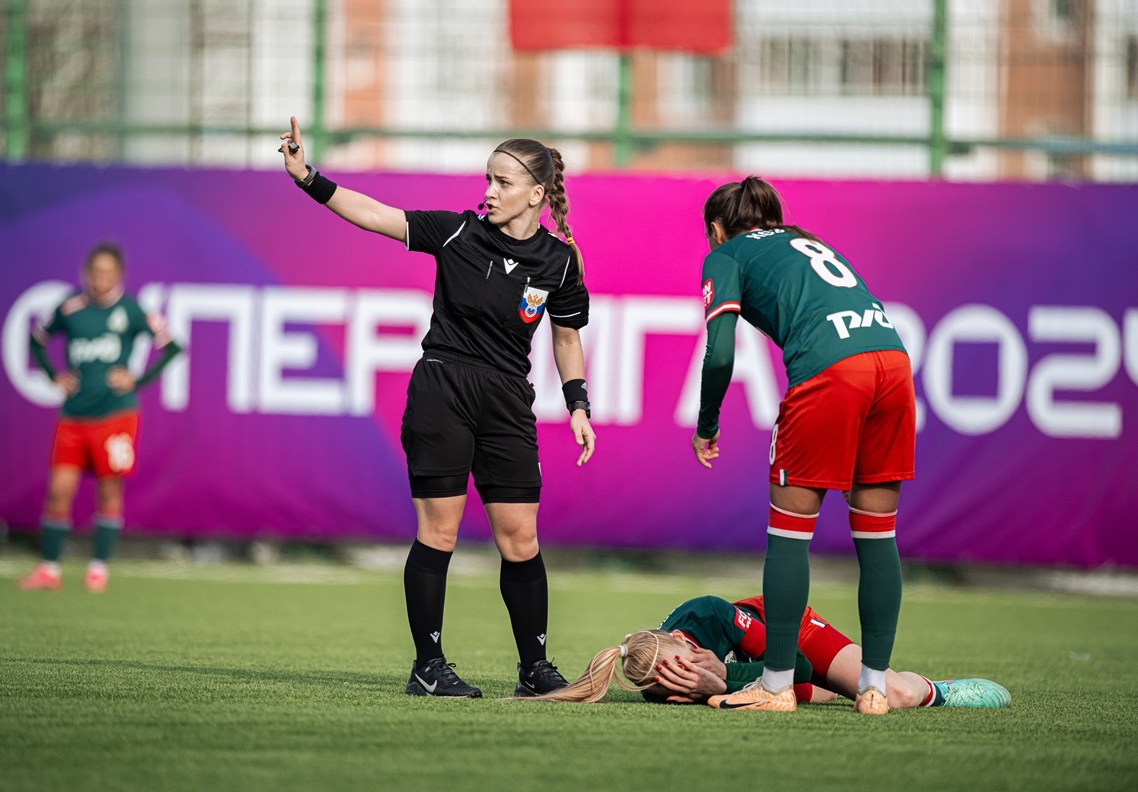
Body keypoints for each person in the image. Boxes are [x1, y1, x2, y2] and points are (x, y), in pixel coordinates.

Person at [279, 117, 595, 698]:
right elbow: (377, 214)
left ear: (536, 193)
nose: (490, 191)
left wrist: (578, 404)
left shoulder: (561, 262)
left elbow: (567, 337)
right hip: (442, 389)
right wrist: (307, 177)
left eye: (503, 182)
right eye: (488, 179)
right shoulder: (457, 233)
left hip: (508, 402)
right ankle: (428, 667)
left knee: (520, 538)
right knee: (439, 532)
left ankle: (536, 670)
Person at [690, 177, 916, 714]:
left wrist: (706, 424)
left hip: (830, 375)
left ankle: (774, 687)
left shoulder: (726, 254)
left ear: (716, 229)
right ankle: (875, 687)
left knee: (789, 537)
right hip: (892, 363)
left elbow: (720, 354)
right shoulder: (808, 241)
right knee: (878, 537)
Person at [19, 242, 181, 593]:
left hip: (116, 415)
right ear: (86, 274)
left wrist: (137, 380)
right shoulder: (70, 307)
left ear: (119, 276)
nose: (101, 280)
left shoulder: (133, 310)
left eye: (108, 273)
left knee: (109, 490)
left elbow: (172, 347)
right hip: (74, 416)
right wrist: (53, 375)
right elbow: (36, 340)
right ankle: (49, 569)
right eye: (96, 273)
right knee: (58, 491)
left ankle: (98, 568)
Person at [521, 594, 1011, 710]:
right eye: (669, 683)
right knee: (834, 700)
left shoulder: (709, 616)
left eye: (685, 666)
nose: (680, 677)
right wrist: (709, 688)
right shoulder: (658, 677)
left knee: (886, 693)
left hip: (786, 632)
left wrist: (725, 682)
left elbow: (792, 664)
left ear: (681, 643)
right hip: (761, 673)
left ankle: (939, 690)